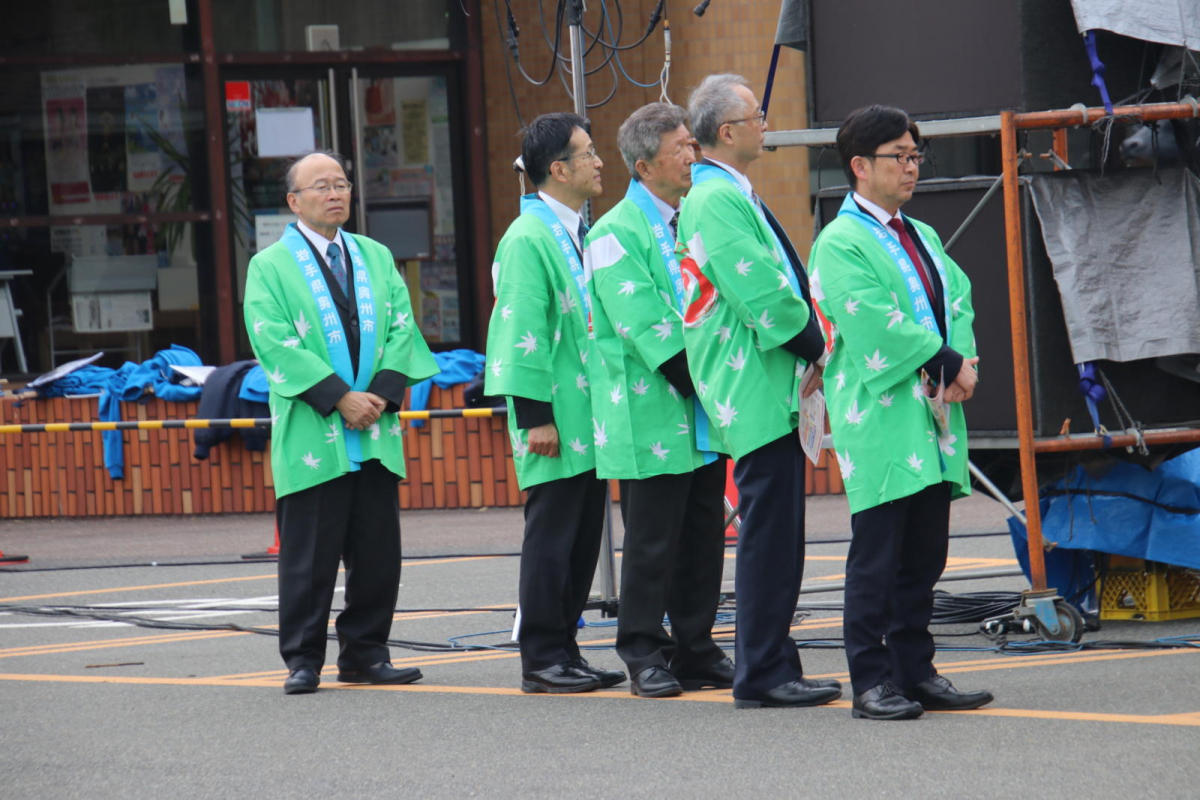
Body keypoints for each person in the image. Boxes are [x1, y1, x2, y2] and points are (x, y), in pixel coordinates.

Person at [809, 104, 993, 720]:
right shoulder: (840, 240)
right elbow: (868, 321)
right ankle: (871, 679)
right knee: (877, 552)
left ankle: (916, 669)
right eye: (899, 157)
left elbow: (958, 295)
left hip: (931, 409)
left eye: (916, 155)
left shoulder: (920, 232)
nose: (912, 167)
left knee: (924, 552)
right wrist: (946, 360)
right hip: (881, 415)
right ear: (860, 167)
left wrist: (959, 359)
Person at [244, 151, 437, 695]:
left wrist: (378, 395)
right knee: (309, 554)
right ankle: (303, 659)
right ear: (294, 201)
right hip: (315, 428)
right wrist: (339, 397)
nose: (335, 193)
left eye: (342, 184)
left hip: (373, 425)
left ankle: (366, 653)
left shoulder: (375, 256)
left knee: (378, 550)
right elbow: (272, 340)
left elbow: (403, 326)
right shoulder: (270, 266)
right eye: (321, 186)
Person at [675, 74, 840, 709]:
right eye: (757, 115)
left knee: (777, 532)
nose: (765, 123)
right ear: (726, 132)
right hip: (754, 380)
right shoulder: (715, 199)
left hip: (766, 378)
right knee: (770, 533)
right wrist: (817, 345)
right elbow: (762, 293)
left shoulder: (727, 192)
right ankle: (764, 671)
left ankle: (772, 663)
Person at [585, 102, 731, 698]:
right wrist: (710, 379)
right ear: (644, 165)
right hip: (653, 409)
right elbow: (644, 322)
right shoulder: (613, 230)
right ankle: (643, 650)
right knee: (651, 541)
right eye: (681, 148)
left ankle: (696, 646)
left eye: (693, 146)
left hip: (705, 405)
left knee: (702, 534)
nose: (693, 156)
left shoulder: (694, 219)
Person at [485, 113, 626, 694]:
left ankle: (564, 650)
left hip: (585, 411)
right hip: (554, 414)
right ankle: (541, 656)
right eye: (587, 153)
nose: (599, 162)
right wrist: (533, 417)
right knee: (552, 535)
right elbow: (518, 329)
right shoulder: (528, 237)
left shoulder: (570, 229)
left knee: (579, 535)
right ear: (558, 169)